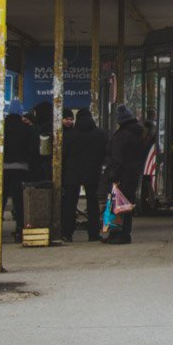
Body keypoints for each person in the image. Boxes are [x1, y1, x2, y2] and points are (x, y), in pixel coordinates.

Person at [99, 105, 147, 245]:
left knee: (117, 205)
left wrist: (113, 175)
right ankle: (121, 234)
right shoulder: (136, 133)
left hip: (121, 176)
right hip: (132, 175)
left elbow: (117, 158)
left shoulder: (122, 135)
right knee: (125, 205)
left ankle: (119, 235)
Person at [61, 108, 106, 242]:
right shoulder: (99, 134)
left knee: (70, 203)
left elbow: (64, 153)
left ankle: (67, 233)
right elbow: (104, 151)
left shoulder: (70, 135)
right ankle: (93, 233)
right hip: (92, 172)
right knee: (93, 203)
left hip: (72, 173)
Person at [3, 100, 38, 242]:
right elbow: (33, 149)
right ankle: (20, 229)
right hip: (21, 167)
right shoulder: (26, 129)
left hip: (2, 168)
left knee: (0, 199)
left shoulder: (1, 128)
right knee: (19, 200)